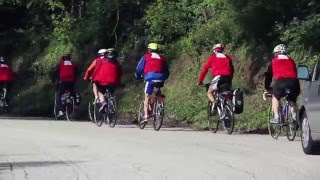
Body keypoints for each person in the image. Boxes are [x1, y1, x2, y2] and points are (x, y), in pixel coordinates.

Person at [264, 44, 300, 123]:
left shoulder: (274, 61)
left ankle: (277, 117)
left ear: (276, 53)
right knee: (292, 98)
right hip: (294, 83)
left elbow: (268, 75)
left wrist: (267, 87)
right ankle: (294, 118)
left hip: (281, 82)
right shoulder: (291, 60)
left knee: (275, 97)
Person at [135, 43, 170, 123]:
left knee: (147, 96)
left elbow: (139, 68)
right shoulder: (162, 58)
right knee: (157, 91)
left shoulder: (146, 57)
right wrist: (164, 77)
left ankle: (146, 117)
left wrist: (137, 76)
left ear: (149, 50)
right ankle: (159, 101)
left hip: (150, 78)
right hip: (161, 78)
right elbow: (167, 70)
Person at [197, 44, 234, 108]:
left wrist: (200, 81)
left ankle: (214, 102)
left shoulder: (212, 58)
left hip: (218, 77)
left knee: (209, 92)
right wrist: (230, 78)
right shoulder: (227, 57)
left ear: (214, 50)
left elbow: (204, 70)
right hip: (228, 78)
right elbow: (232, 70)